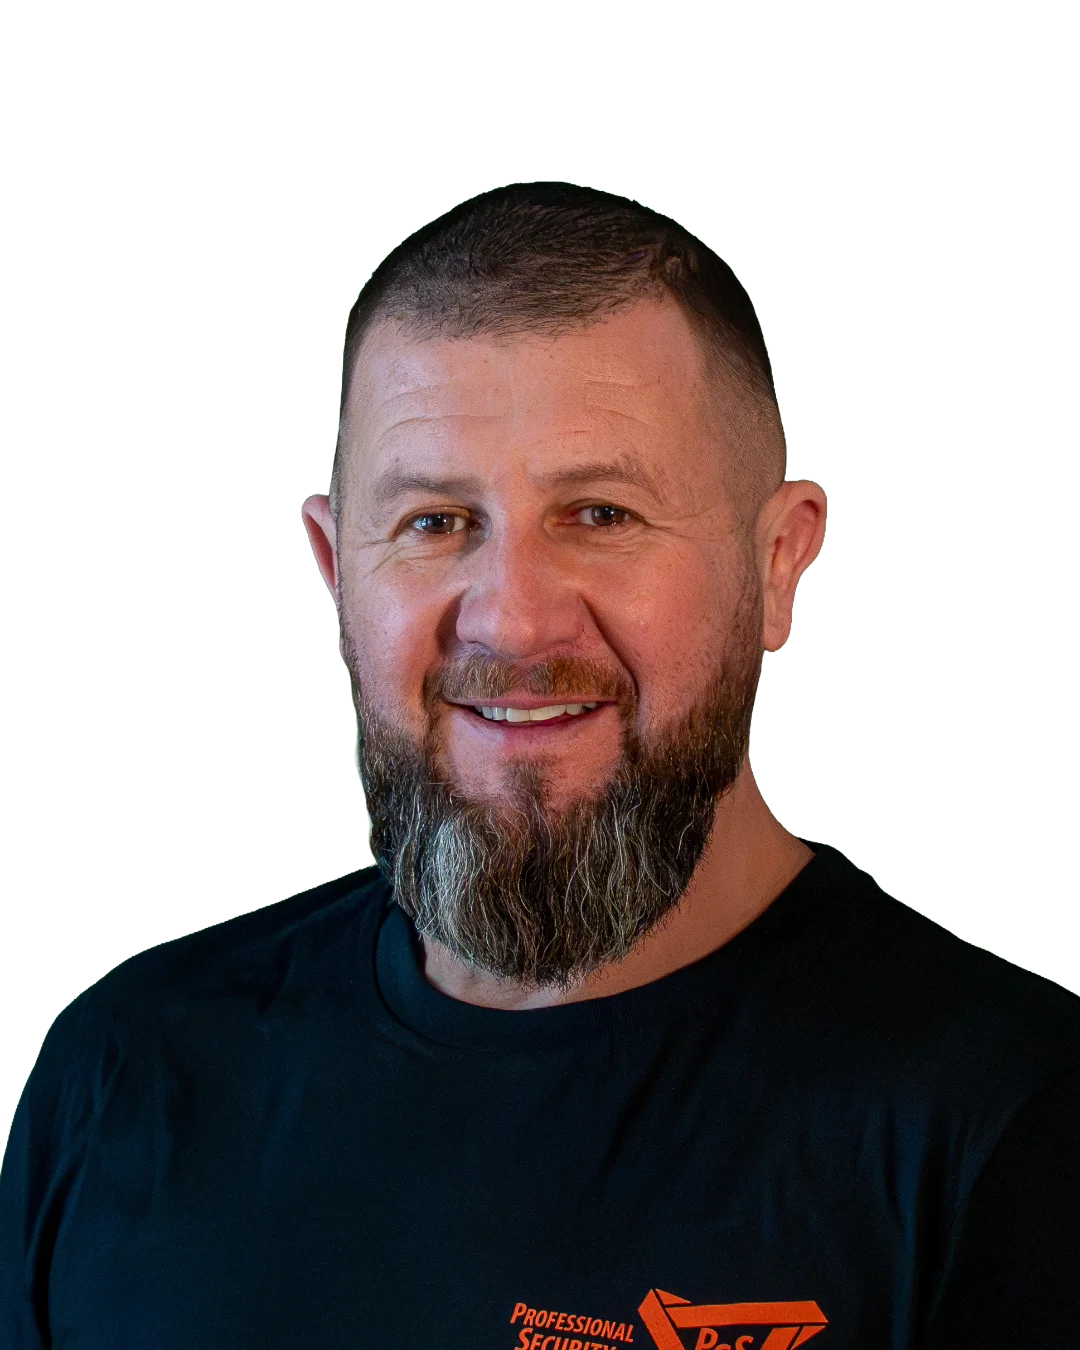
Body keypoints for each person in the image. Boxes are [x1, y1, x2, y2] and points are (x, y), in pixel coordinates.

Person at [2, 181, 1077, 1349]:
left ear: (780, 564)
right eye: (434, 522)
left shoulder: (1018, 1122)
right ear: (331, 564)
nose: (511, 623)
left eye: (602, 513)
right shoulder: (126, 1073)